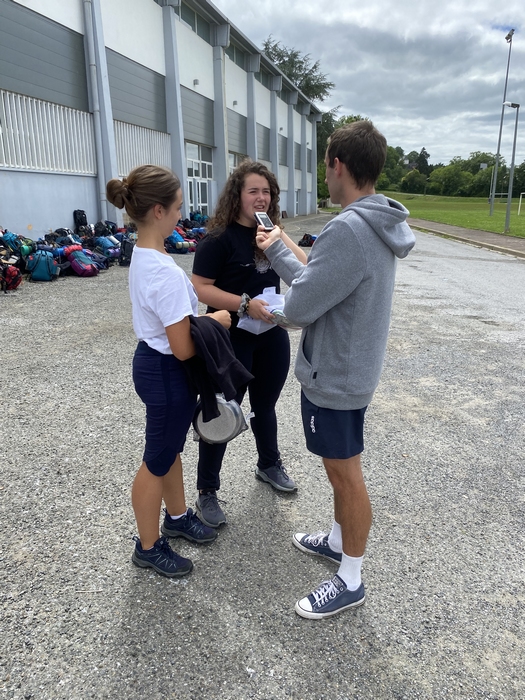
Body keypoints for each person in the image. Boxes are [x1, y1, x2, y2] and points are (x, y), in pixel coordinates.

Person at [256, 121, 416, 619]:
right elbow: (322, 283)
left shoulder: (348, 228)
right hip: (352, 369)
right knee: (338, 469)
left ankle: (351, 579)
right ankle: (336, 541)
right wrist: (281, 246)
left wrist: (272, 263)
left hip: (337, 376)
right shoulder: (374, 222)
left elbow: (301, 306)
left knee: (346, 476)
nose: (324, 174)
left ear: (338, 165)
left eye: (325, 165)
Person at [106, 165, 231, 578]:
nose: (182, 214)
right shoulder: (164, 272)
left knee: (170, 447)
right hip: (166, 371)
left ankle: (176, 517)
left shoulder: (144, 254)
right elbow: (182, 346)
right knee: (157, 460)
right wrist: (216, 321)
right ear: (158, 211)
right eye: (177, 207)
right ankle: (147, 546)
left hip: (153, 363)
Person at [191, 160, 308, 527]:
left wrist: (279, 236)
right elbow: (200, 288)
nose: (261, 198)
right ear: (237, 195)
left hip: (271, 335)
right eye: (253, 191)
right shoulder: (219, 239)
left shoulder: (271, 233)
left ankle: (268, 464)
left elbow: (306, 268)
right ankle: (207, 490)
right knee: (222, 411)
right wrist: (243, 303)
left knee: (265, 406)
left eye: (266, 192)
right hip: (230, 338)